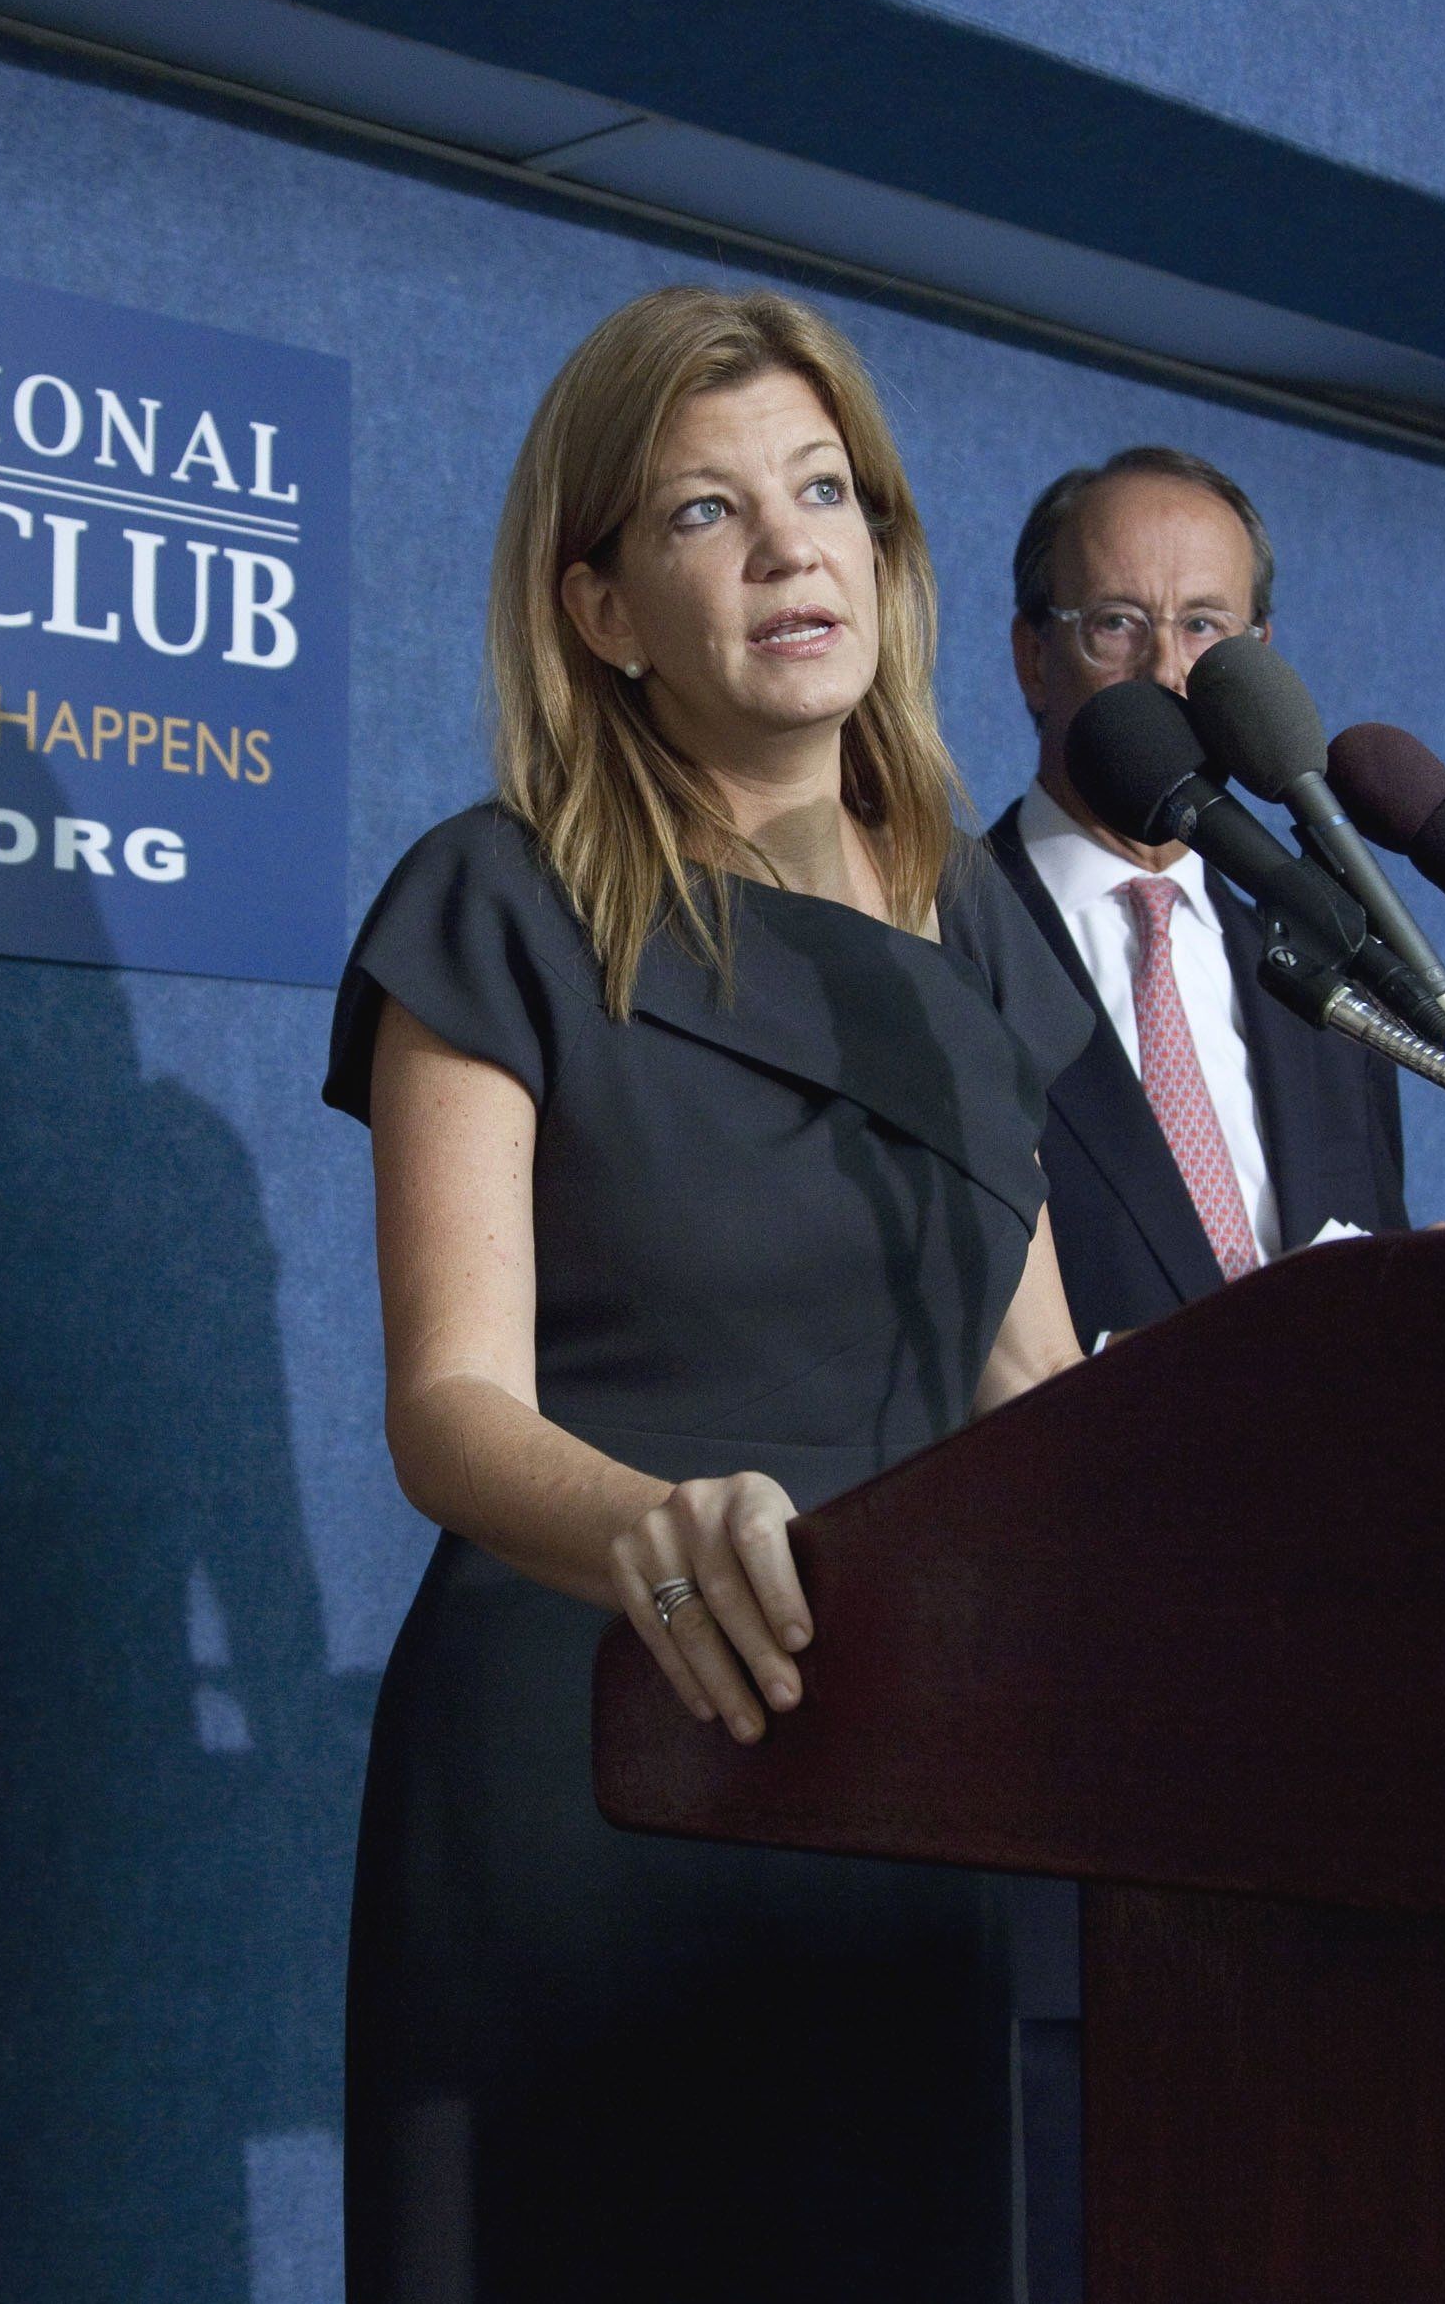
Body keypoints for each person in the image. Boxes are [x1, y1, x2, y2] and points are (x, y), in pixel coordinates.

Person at [325, 284, 1096, 2303]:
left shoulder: (979, 926)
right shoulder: (492, 901)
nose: (785, 546)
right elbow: (448, 1404)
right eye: (701, 512)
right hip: (584, 1755)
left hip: (901, 1771)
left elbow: (1043, 1385)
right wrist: (649, 1526)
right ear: (595, 607)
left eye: (822, 490)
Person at [985, 448, 1411, 1346]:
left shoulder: (1329, 967)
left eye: (1205, 628)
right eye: (1116, 623)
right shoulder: (939, 936)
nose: (1168, 673)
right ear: (1034, 657)